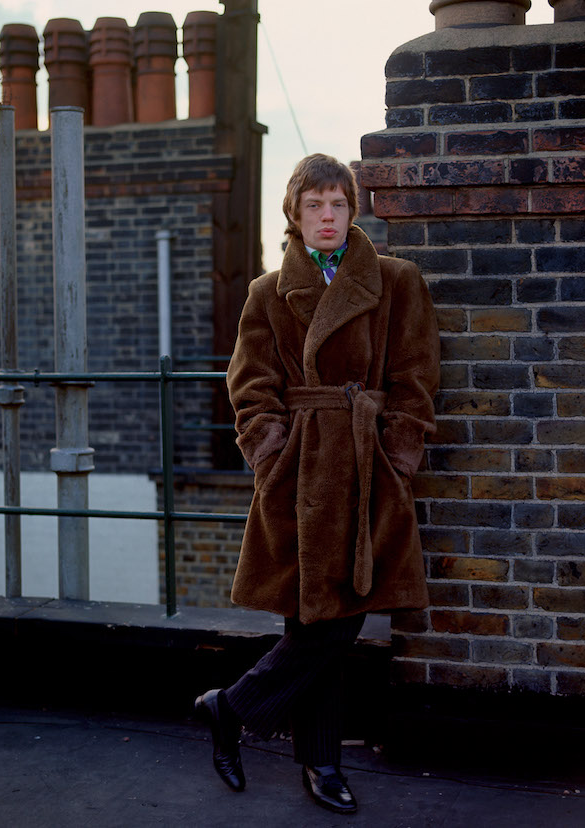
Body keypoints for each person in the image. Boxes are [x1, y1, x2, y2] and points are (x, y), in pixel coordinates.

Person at [195, 153, 440, 814]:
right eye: (314, 205)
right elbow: (249, 387)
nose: (327, 216)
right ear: (295, 214)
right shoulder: (267, 294)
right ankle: (322, 765)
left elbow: (416, 375)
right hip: (300, 473)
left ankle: (232, 705)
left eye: (337, 204)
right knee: (311, 616)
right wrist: (272, 454)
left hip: (369, 471)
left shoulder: (396, 282)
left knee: (342, 616)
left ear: (352, 211)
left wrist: (399, 450)